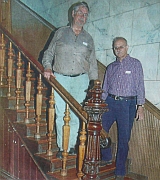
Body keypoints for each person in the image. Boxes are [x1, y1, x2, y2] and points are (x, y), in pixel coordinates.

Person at [42, 1, 98, 158]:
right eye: (80, 13)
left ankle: (72, 145)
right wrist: (47, 67)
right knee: (61, 114)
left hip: (81, 80)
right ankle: (62, 147)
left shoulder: (89, 38)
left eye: (85, 14)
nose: (82, 17)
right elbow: (48, 53)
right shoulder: (60, 33)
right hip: (61, 78)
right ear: (73, 14)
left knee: (75, 114)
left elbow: (93, 62)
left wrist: (94, 83)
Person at [100, 37, 145, 180]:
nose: (118, 50)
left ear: (127, 47)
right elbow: (105, 88)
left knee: (124, 138)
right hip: (110, 102)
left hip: (128, 105)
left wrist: (141, 106)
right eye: (115, 48)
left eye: (120, 47)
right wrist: (101, 104)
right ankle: (106, 157)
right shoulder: (111, 67)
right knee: (100, 130)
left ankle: (120, 171)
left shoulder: (135, 64)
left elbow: (140, 86)